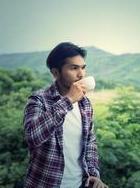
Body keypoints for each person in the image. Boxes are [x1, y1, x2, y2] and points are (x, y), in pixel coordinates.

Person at [23, 42, 108, 188]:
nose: (81, 74)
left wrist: (93, 174)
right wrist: (68, 100)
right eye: (74, 68)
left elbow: (90, 142)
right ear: (56, 73)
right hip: (44, 184)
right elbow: (32, 136)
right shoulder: (39, 99)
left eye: (83, 68)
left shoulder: (85, 103)